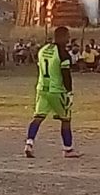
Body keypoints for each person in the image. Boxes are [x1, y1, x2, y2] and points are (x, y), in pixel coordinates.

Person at [24, 26, 82, 159]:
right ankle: (68, 149)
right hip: (56, 91)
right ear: (62, 37)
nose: (68, 39)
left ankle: (29, 143)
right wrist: (69, 92)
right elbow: (66, 75)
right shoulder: (63, 54)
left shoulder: (43, 49)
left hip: (42, 89)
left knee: (38, 117)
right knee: (66, 119)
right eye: (67, 36)